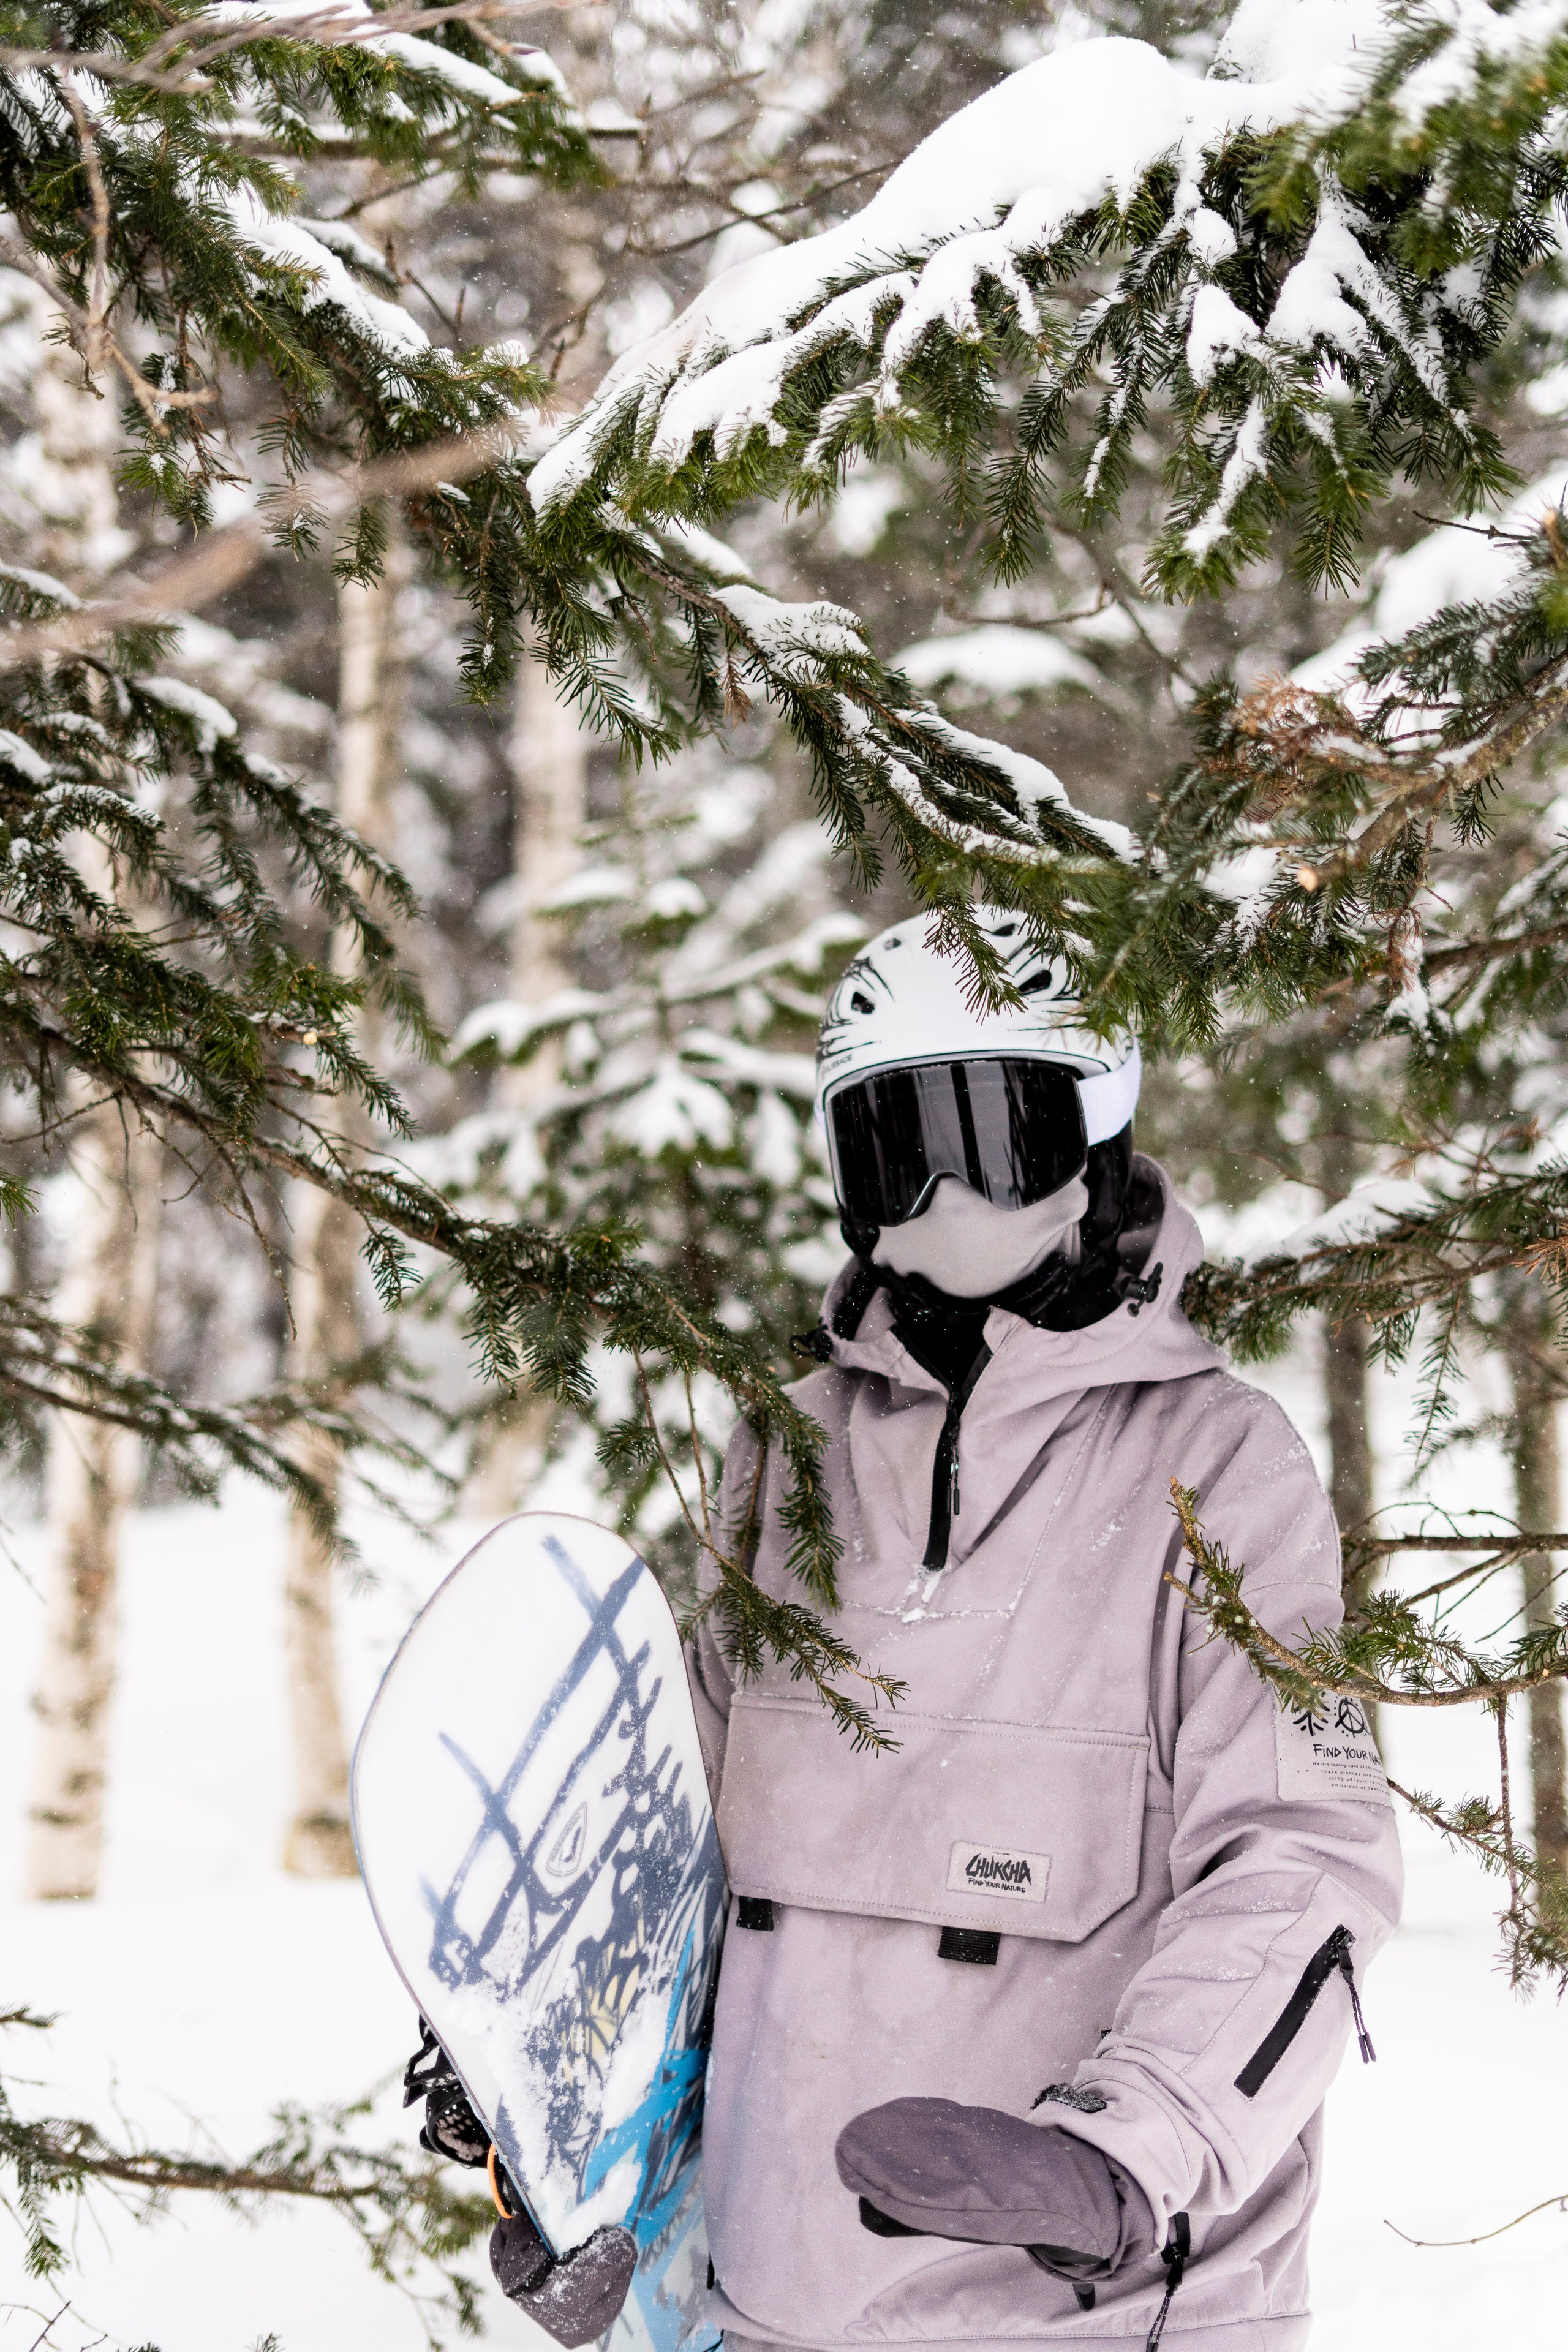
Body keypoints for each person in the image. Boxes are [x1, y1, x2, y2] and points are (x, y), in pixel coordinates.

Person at [683, 907, 1402, 2352]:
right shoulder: (783, 1457)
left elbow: (1300, 1856)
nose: (942, 1186)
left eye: (985, 1131)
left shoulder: (1218, 1463)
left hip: (1096, 2313)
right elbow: (677, 1849)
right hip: (769, 2308)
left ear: (1092, 1131)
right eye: (898, 1144)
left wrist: (1124, 2153)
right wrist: (563, 2124)